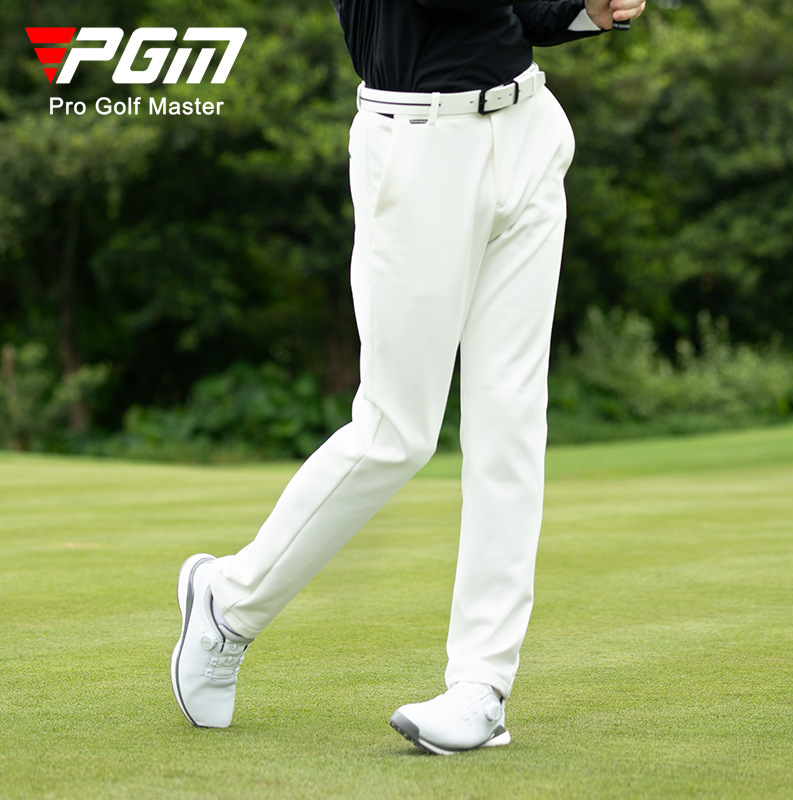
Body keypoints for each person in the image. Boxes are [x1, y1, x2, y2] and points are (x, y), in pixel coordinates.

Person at [171, 0, 646, 755]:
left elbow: (512, 15)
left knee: (512, 421)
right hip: (420, 147)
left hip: (527, 127)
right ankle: (229, 602)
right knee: (396, 430)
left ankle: (482, 686)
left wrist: (585, 9)